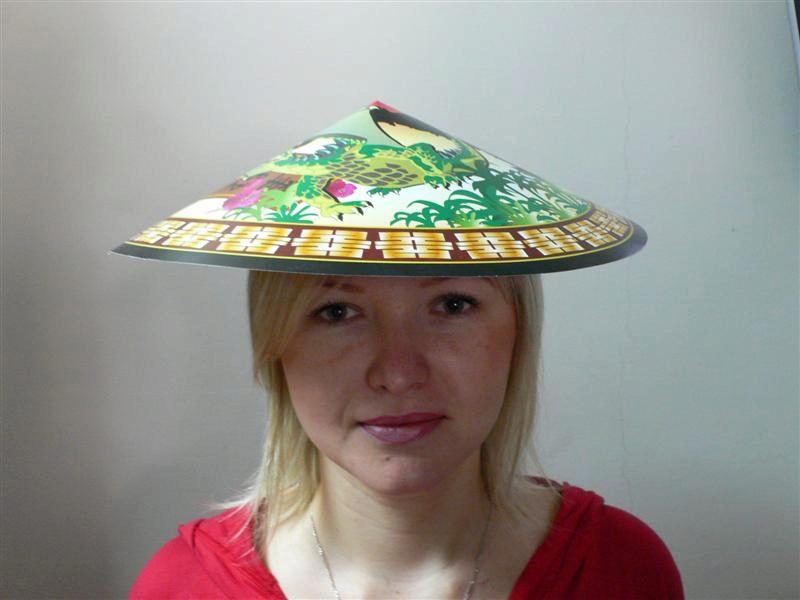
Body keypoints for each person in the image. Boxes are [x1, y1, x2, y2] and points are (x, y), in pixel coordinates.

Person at [116, 101, 683, 598]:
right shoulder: (182, 587)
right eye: (337, 313)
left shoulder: (618, 567)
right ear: (275, 348)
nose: (398, 373)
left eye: (452, 304)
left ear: (519, 334)